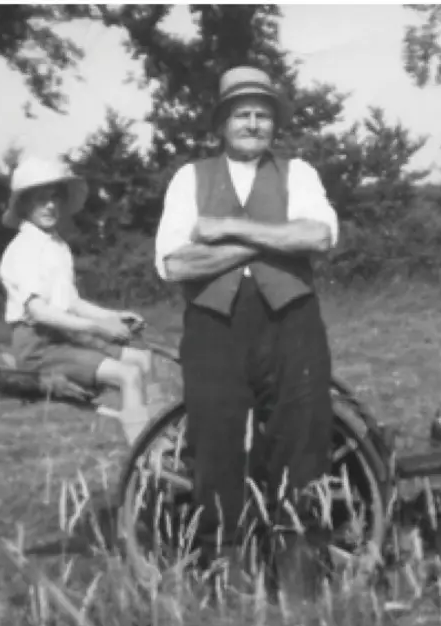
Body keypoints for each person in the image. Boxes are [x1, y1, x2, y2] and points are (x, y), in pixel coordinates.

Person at [153, 66, 339, 567]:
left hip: (291, 320)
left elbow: (319, 237)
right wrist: (272, 239)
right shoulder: (190, 178)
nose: (254, 124)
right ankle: (223, 565)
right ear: (222, 124)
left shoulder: (298, 173)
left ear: (274, 124)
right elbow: (175, 264)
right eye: (243, 115)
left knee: (301, 435)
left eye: (263, 115)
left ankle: (299, 562)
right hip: (215, 325)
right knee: (216, 440)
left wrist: (228, 231)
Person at [0, 156, 154, 445]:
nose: (50, 206)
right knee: (128, 373)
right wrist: (97, 329)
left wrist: (112, 316)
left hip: (62, 335)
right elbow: (39, 312)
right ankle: (144, 454)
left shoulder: (56, 245)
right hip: (38, 345)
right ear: (23, 205)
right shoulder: (24, 249)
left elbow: (71, 302)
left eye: (55, 198)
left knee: (141, 358)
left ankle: (145, 427)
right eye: (40, 199)